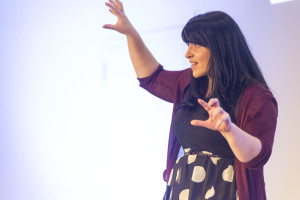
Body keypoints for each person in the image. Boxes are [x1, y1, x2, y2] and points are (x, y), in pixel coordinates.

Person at [103, 0, 278, 199]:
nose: (187, 53)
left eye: (195, 45)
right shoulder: (190, 83)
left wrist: (230, 130)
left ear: (220, 47)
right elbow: (151, 77)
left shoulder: (255, 96)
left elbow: (258, 156)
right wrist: (130, 33)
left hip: (224, 192)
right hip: (183, 189)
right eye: (188, 45)